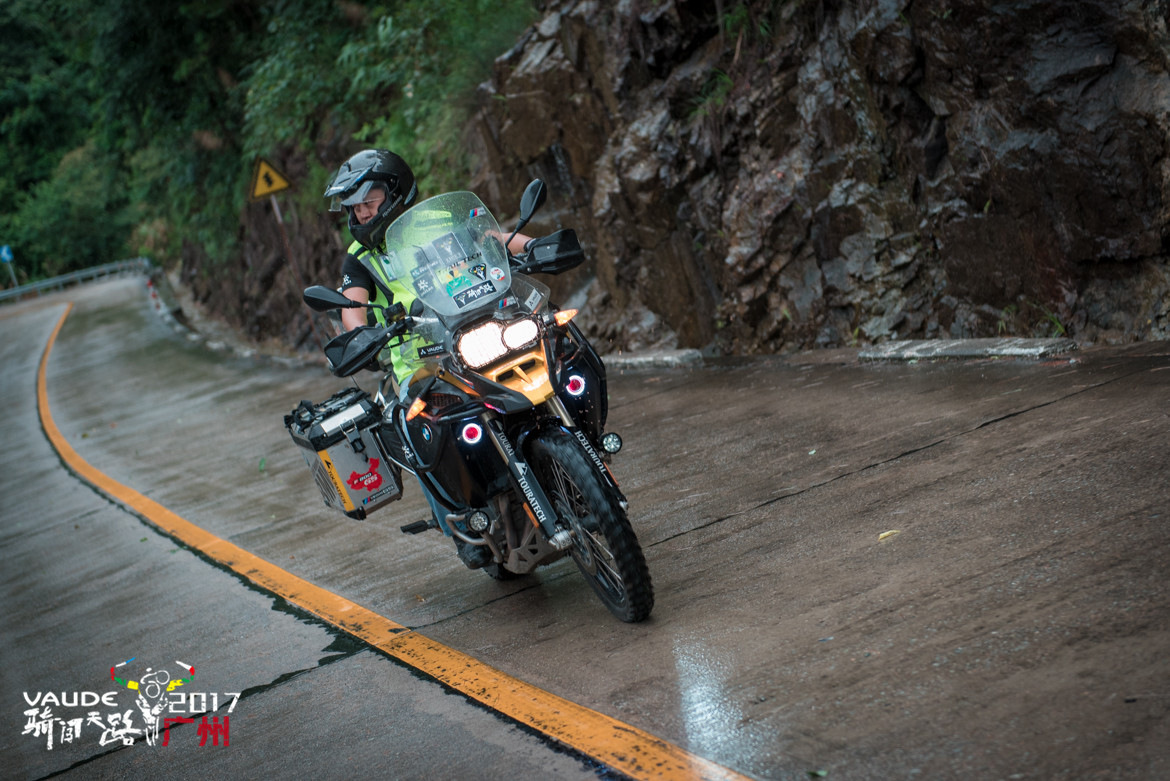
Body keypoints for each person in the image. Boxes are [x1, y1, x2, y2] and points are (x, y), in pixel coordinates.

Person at [323, 148, 532, 568]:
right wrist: (358, 334)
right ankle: (461, 523)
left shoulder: (440, 219)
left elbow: (494, 238)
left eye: (369, 200)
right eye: (354, 206)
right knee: (418, 427)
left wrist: (535, 246)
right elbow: (352, 303)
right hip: (420, 360)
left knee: (551, 345)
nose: (362, 212)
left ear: (396, 192)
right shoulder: (359, 258)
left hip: (479, 325)